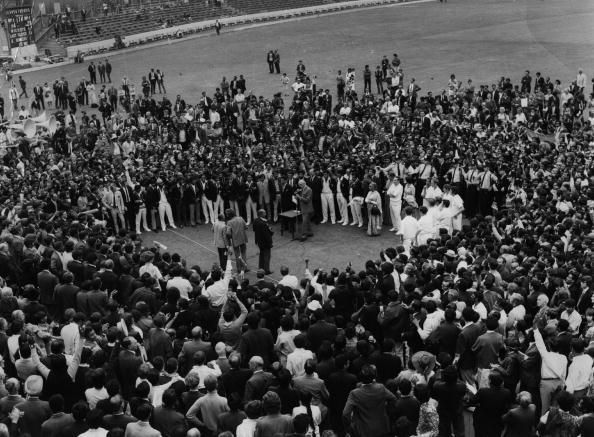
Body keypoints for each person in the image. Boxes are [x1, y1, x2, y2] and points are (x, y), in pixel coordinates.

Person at [226, 208, 249, 272]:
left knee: (237, 254)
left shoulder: (229, 222)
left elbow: (228, 233)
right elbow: (246, 227)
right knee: (243, 253)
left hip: (235, 240)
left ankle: (239, 268)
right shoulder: (241, 218)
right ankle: (245, 268)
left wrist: (230, 237)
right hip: (243, 238)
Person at [253, 209, 273, 274]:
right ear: (261, 214)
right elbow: (267, 235)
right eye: (264, 213)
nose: (265, 213)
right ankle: (266, 270)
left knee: (261, 255)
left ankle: (261, 268)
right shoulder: (264, 223)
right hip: (265, 243)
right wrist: (270, 242)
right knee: (267, 256)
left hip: (259, 242)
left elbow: (254, 229)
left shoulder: (256, 220)